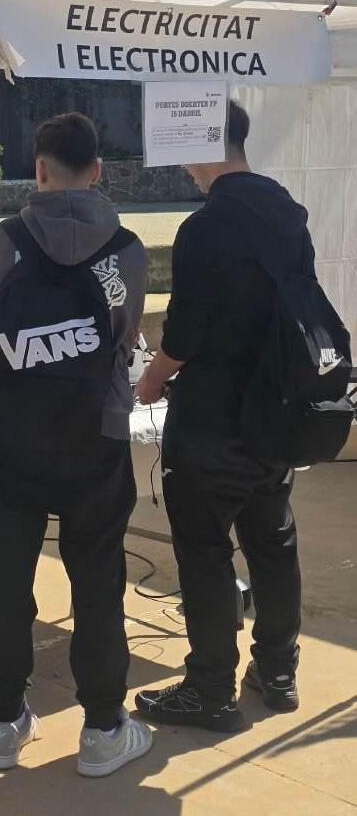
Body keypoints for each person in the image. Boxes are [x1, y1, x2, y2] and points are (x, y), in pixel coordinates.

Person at [0, 112, 152, 777]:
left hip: (13, 435)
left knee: (6, 576)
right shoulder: (126, 248)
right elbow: (124, 336)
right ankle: (103, 729)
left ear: (39, 169)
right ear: (98, 171)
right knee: (98, 580)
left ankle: (3, 722)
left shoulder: (4, 241)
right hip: (94, 434)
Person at [135, 100, 305, 732]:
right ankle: (278, 671)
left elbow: (187, 329)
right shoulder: (287, 212)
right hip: (277, 410)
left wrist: (153, 376)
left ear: (202, 142)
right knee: (272, 541)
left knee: (205, 550)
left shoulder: (205, 227)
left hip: (213, 416)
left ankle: (210, 690)